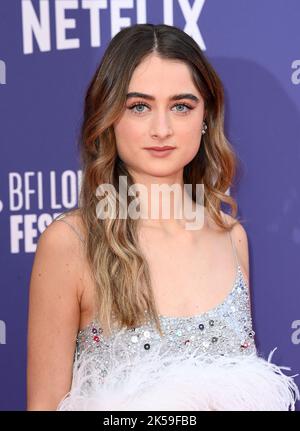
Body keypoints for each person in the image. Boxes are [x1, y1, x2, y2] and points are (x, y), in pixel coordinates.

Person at [26, 23, 299, 411]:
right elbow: (44, 405)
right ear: (109, 117)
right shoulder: (71, 242)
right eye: (139, 106)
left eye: (181, 106)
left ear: (206, 118)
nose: (161, 129)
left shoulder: (230, 236)